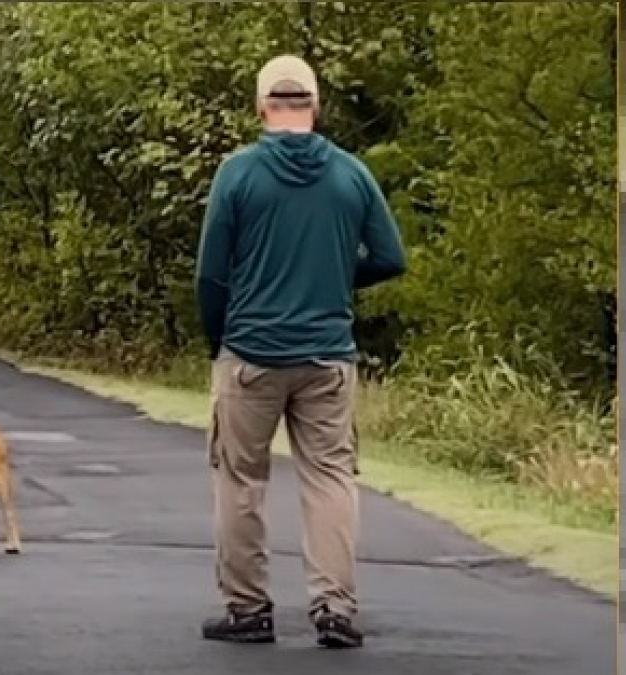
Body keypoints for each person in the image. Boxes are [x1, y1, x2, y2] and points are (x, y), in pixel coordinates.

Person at [194, 54, 407, 649]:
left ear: (263, 105)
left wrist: (221, 341)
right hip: (327, 358)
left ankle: (248, 609)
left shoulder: (237, 174)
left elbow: (211, 275)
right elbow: (391, 257)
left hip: (251, 354)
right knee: (331, 478)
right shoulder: (351, 175)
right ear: (315, 105)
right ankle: (335, 609)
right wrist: (335, 279)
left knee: (240, 479)